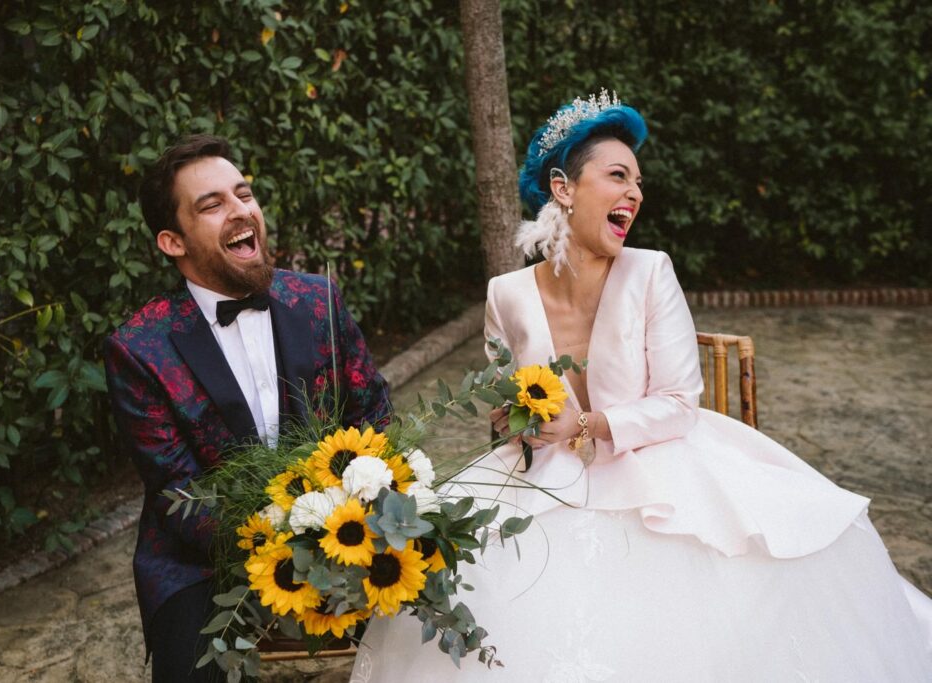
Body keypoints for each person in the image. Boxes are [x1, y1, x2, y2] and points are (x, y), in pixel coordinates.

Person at [350, 91, 932, 681]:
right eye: (618, 176)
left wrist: (588, 425)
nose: (635, 193)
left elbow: (680, 403)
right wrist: (513, 422)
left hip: (656, 465)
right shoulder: (506, 292)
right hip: (543, 477)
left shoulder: (651, 271)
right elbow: (511, 403)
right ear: (563, 188)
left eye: (639, 182)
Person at [103, 135, 392, 682]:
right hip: (202, 558)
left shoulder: (317, 300)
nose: (241, 211)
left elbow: (373, 412)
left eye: (244, 194)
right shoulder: (140, 349)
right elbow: (179, 492)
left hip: (346, 525)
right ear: (173, 241)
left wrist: (350, 522)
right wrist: (287, 551)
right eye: (212, 205)